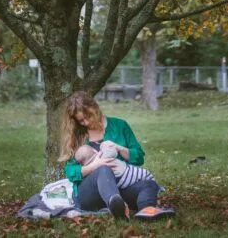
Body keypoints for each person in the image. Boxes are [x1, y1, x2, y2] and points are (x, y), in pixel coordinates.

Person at [59, 92, 172, 221]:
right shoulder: (78, 135)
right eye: (80, 120)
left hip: (121, 188)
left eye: (88, 117)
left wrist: (119, 148)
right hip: (90, 194)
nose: (85, 122)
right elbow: (70, 172)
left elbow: (139, 157)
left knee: (149, 184)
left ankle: (146, 210)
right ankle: (118, 207)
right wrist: (95, 166)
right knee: (103, 169)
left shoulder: (120, 125)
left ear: (95, 108)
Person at [74, 143, 156, 189]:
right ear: (94, 151)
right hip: (128, 172)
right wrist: (104, 146)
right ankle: (155, 186)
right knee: (144, 175)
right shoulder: (102, 154)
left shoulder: (91, 172)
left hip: (122, 183)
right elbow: (113, 151)